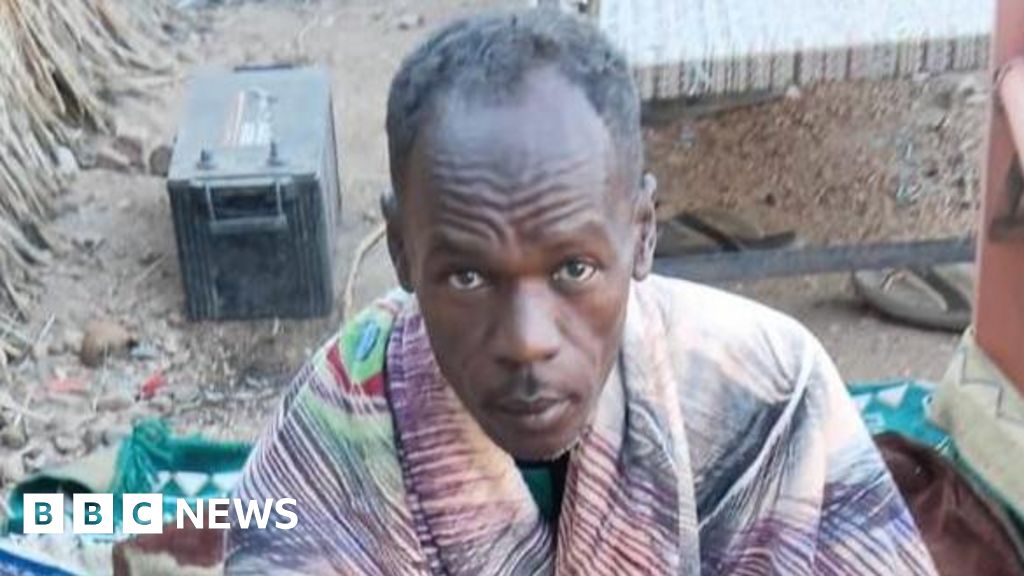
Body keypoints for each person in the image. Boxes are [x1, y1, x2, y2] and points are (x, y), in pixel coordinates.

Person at [225, 9, 936, 575]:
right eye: (468, 276)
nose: (526, 340)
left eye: (574, 270)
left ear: (642, 233)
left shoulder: (770, 394)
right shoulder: (332, 435)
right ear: (403, 251)